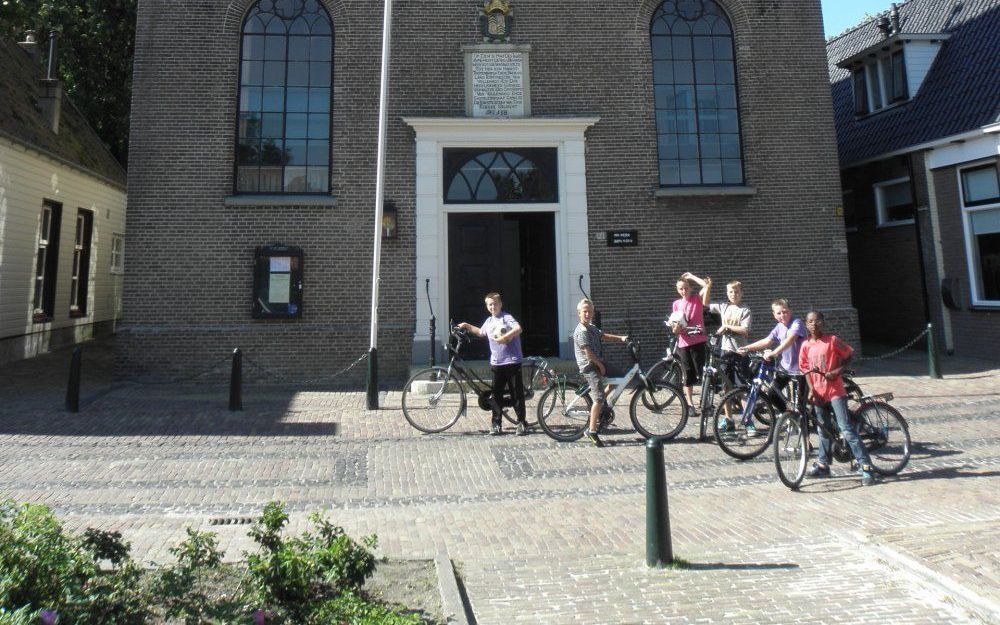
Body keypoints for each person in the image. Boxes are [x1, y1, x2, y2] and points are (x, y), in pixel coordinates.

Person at [799, 311, 875, 486]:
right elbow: (805, 371)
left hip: (835, 390)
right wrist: (811, 390)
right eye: (810, 321)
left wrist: (837, 371)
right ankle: (823, 464)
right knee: (823, 429)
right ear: (806, 324)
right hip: (818, 392)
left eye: (817, 321)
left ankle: (865, 465)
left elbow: (849, 356)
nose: (813, 324)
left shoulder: (832, 340)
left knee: (846, 428)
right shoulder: (805, 346)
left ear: (823, 323)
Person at [456, 292, 528, 436]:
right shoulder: (489, 321)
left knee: (516, 393)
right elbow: (481, 332)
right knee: (496, 395)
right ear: (487, 306)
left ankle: (521, 422)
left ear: (500, 304)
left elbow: (518, 328)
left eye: (495, 304)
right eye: (490, 304)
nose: (493, 307)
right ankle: (496, 424)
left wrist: (506, 337)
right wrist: (467, 326)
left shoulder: (506, 318)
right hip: (497, 362)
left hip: (512, 360)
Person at [688, 275, 752, 431]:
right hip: (725, 352)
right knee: (726, 388)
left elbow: (745, 330)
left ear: (741, 293)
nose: (733, 294)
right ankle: (728, 420)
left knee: (742, 387)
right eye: (730, 292)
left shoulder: (745, 310)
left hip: (740, 352)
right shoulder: (724, 306)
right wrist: (708, 287)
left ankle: (748, 421)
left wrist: (728, 328)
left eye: (736, 292)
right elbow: (706, 303)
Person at [739, 298, 807, 433]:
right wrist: (747, 348)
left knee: (801, 407)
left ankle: (806, 440)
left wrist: (774, 353)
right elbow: (767, 341)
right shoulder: (779, 327)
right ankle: (790, 416)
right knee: (772, 393)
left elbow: (790, 340)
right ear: (774, 315)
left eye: (785, 312)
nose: (782, 315)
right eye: (779, 313)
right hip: (785, 368)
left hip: (801, 370)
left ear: (790, 311)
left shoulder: (797, 323)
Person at [573, 298, 628, 448]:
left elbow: (603, 336)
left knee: (621, 377)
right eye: (585, 311)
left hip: (597, 363)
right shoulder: (581, 331)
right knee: (597, 398)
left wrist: (621, 338)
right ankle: (592, 431)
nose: (587, 314)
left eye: (590, 311)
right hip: (589, 366)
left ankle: (602, 403)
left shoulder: (591, 327)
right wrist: (600, 366)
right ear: (579, 313)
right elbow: (588, 354)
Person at [668, 273, 709, 409]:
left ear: (690, 288)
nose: (683, 291)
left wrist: (691, 276)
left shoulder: (697, 299)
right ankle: (690, 404)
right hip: (683, 343)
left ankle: (705, 402)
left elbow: (706, 285)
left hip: (698, 341)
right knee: (688, 373)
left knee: (702, 372)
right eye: (681, 289)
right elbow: (675, 327)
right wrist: (675, 330)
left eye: (686, 288)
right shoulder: (676, 304)